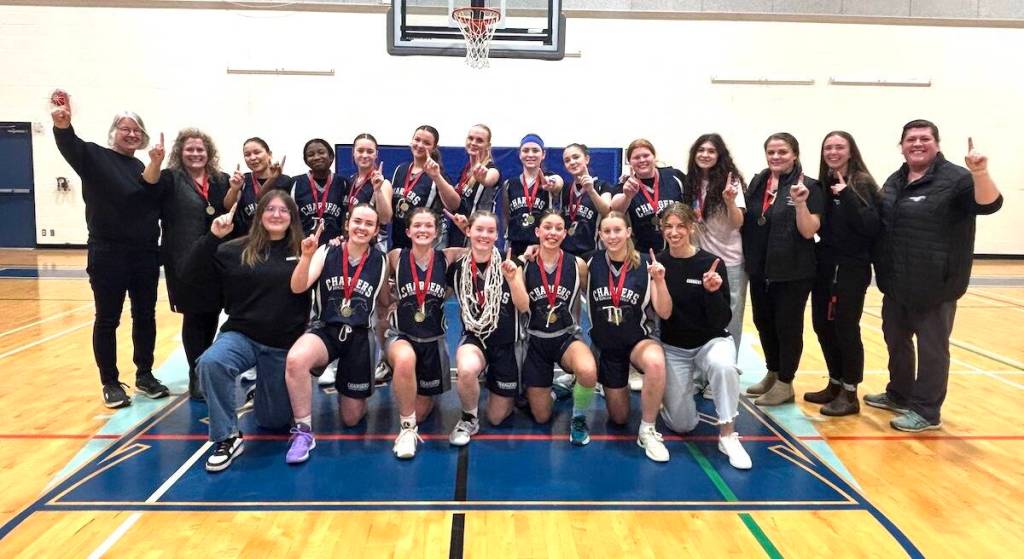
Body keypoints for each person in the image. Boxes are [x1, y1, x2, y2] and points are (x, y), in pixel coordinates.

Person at [868, 120, 1002, 432]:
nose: (917, 144)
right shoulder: (895, 180)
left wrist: (980, 172)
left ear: (937, 144)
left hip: (936, 286)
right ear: (901, 146)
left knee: (932, 350)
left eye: (924, 138)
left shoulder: (957, 179)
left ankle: (927, 411)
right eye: (910, 139)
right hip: (896, 283)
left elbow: (989, 204)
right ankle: (899, 394)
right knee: (896, 341)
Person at [50, 90, 168, 408]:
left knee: (145, 315)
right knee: (107, 318)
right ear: (114, 131)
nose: (131, 134)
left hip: (145, 253)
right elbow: (69, 144)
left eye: (136, 130)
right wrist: (62, 124)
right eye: (125, 128)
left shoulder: (141, 166)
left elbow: (150, 195)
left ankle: (145, 374)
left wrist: (156, 163)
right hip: (108, 252)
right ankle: (110, 382)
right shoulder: (94, 156)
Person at [187, 191, 311, 472]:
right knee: (211, 362)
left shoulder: (304, 251)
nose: (276, 214)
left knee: (273, 421)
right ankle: (227, 437)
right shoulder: (234, 250)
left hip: (282, 344)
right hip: (242, 335)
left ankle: (264, 387)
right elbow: (191, 273)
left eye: (283, 210)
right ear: (259, 214)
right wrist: (212, 238)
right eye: (270, 209)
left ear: (292, 217)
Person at [283, 204, 388, 464]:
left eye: (369, 224)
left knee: (351, 419)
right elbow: (298, 287)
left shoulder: (381, 260)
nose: (362, 227)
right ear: (347, 223)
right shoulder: (326, 251)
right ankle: (303, 431)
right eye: (357, 221)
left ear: (376, 230)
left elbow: (384, 301)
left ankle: (350, 389)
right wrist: (306, 257)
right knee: (296, 359)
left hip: (359, 336)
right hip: (326, 329)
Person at [656, 203, 751, 470]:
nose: (674, 232)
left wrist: (712, 293)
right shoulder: (659, 264)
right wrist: (659, 281)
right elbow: (664, 314)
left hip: (711, 341)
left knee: (723, 366)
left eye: (680, 226)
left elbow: (722, 320)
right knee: (682, 425)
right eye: (668, 226)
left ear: (691, 228)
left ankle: (728, 435)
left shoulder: (711, 263)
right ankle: (675, 400)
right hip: (675, 347)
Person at [143, 128, 231, 401]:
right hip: (184, 259)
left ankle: (203, 367)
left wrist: (236, 188)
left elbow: (228, 206)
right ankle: (196, 374)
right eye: (189, 149)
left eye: (200, 149)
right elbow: (148, 184)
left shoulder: (220, 179)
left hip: (215, 257)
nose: (195, 154)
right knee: (193, 316)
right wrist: (155, 161)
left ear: (209, 152)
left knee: (211, 313)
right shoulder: (170, 178)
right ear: (180, 152)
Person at [741, 133, 824, 406]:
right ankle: (773, 372)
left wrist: (800, 203)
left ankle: (785, 383)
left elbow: (809, 230)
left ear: (795, 154)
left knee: (787, 327)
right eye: (771, 152)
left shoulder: (809, 186)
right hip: (760, 268)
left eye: (783, 152)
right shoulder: (759, 182)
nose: (776, 157)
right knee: (763, 322)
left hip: (793, 271)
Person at [805, 131, 881, 416]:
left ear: (851, 151)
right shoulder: (823, 184)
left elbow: (871, 226)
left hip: (851, 267)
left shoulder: (862, 183)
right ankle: (835, 383)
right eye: (828, 147)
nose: (833, 152)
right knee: (822, 325)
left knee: (846, 328)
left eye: (839, 147)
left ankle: (850, 393)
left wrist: (847, 194)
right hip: (825, 263)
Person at [382, 208, 468, 459]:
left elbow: (482, 249)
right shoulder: (396, 257)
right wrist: (390, 302)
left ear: (437, 231)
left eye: (428, 225)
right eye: (417, 226)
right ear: (408, 231)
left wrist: (466, 229)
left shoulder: (448, 256)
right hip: (402, 334)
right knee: (404, 359)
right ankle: (407, 430)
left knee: (422, 410)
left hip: (432, 341)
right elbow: (379, 287)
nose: (423, 230)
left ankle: (418, 393)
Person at [586, 211, 670, 462]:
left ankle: (647, 429)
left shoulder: (646, 264)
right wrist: (530, 252)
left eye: (617, 230)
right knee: (619, 418)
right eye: (607, 231)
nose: (612, 236)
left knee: (655, 362)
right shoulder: (589, 262)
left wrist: (660, 281)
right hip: (607, 347)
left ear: (628, 232)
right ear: (600, 235)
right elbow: (555, 260)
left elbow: (664, 312)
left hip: (636, 341)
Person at [447, 211, 530, 446]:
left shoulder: (510, 262)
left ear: (497, 235)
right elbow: (437, 295)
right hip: (475, 339)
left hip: (506, 343)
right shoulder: (458, 268)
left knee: (496, 418)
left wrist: (512, 279)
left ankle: (503, 382)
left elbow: (524, 306)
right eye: (479, 229)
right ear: (468, 231)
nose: (484, 235)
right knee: (465, 369)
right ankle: (469, 418)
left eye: (490, 231)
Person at [521, 211, 599, 445]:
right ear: (537, 231)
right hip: (534, 340)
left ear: (565, 233)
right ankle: (556, 391)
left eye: (558, 228)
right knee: (541, 416)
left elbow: (592, 298)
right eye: (547, 227)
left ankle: (579, 418)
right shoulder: (525, 264)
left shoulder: (578, 265)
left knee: (587, 370)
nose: (552, 233)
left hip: (565, 338)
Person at [682, 134, 747, 355]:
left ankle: (728, 366)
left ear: (719, 155)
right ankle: (704, 365)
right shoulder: (691, 182)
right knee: (702, 312)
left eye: (711, 151)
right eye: (701, 150)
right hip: (701, 260)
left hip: (730, 260)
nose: (705, 155)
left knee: (730, 316)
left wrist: (730, 202)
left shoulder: (731, 181)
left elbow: (737, 223)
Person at [390, 125, 460, 249]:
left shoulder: (438, 174)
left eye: (426, 143)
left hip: (426, 245)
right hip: (399, 242)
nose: (420, 145)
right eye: (417, 140)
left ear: (434, 148)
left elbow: (454, 204)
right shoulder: (400, 170)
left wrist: (437, 177)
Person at [609, 138, 685, 253]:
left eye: (646, 155)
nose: (642, 160)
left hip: (678, 250)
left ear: (654, 157)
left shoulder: (674, 176)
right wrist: (627, 196)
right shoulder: (627, 185)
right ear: (630, 162)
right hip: (644, 253)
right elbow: (615, 210)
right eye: (636, 157)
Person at [503, 134, 564, 257]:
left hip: (542, 244)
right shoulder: (509, 184)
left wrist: (552, 183)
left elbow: (558, 183)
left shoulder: (549, 179)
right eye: (525, 150)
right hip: (515, 244)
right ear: (520, 154)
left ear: (543, 154)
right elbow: (507, 216)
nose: (530, 154)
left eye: (535, 150)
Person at [447, 124, 502, 248]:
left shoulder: (491, 169)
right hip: (458, 232)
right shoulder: (466, 169)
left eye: (479, 140)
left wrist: (483, 178)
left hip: (479, 236)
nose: (473, 143)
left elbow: (490, 179)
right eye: (470, 138)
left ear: (488, 146)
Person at [228, 137, 290, 234]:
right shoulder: (242, 179)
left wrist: (272, 179)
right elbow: (228, 207)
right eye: (247, 155)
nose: (252, 158)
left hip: (279, 238)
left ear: (269, 154)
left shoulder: (286, 181)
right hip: (248, 238)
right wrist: (234, 189)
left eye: (257, 152)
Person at [559, 143, 612, 257]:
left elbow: (607, 212)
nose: (572, 162)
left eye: (576, 157)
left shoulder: (602, 186)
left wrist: (591, 191)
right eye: (567, 160)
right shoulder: (565, 188)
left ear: (587, 159)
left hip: (591, 252)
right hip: (565, 252)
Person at [291, 138, 348, 243]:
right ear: (306, 160)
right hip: (304, 245)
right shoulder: (295, 183)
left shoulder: (343, 183)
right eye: (311, 154)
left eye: (321, 152)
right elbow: (291, 219)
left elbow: (346, 215)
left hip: (334, 246)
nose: (316, 157)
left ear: (331, 156)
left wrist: (344, 239)